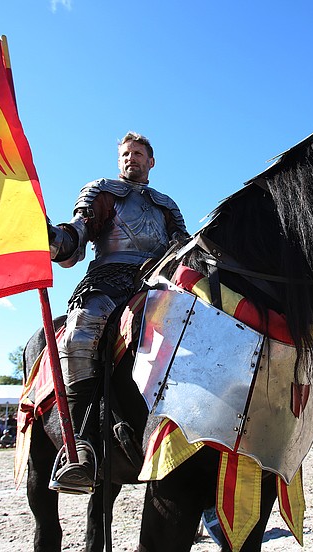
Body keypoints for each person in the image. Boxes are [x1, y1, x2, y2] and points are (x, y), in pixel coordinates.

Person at [47, 131, 187, 492]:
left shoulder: (166, 204)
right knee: (81, 331)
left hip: (157, 282)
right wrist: (52, 238)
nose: (131, 158)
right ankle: (79, 443)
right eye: (126, 153)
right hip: (109, 278)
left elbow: (183, 249)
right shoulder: (102, 191)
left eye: (138, 153)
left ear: (150, 161)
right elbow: (77, 235)